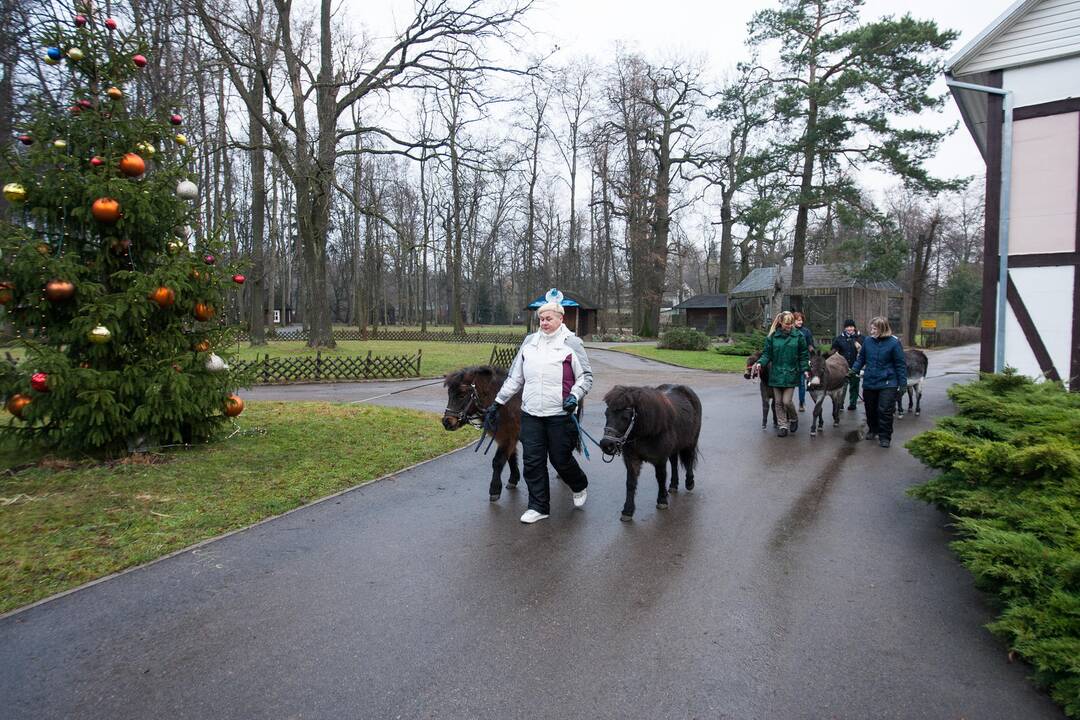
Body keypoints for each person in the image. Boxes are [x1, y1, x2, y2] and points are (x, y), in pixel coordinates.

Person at [486, 289, 593, 524]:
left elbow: (585, 376)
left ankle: (579, 484)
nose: (544, 323)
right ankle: (538, 506)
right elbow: (515, 378)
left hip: (559, 414)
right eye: (541, 319)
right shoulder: (529, 342)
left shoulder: (571, 343)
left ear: (560, 318)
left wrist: (574, 396)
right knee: (532, 461)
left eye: (549, 318)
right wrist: (498, 402)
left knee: (560, 459)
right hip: (531, 413)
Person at [850, 316, 906, 448]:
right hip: (870, 380)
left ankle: (885, 436)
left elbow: (900, 364)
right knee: (870, 408)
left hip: (888, 382)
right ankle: (873, 429)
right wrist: (853, 370)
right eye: (871, 328)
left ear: (882, 329)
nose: (871, 331)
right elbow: (861, 358)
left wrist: (902, 383)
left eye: (874, 329)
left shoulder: (894, 343)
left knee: (885, 409)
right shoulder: (868, 341)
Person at [753, 311, 809, 438]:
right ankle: (782, 425)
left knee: (786, 401)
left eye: (790, 323)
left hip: (790, 373)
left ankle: (794, 418)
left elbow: (803, 355)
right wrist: (760, 363)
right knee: (778, 402)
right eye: (786, 323)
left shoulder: (798, 336)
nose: (789, 326)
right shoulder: (772, 337)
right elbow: (767, 354)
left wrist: (805, 369)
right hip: (776, 373)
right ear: (780, 323)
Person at [831, 319, 863, 411]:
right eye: (847, 327)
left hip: (855, 366)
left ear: (854, 327)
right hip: (842, 368)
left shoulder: (861, 338)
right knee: (842, 386)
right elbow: (833, 351)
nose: (849, 328)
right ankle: (840, 404)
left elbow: (864, 352)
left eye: (851, 326)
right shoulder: (839, 339)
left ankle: (853, 403)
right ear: (844, 328)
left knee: (854, 386)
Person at [793, 312, 815, 412]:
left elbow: (810, 344)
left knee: (802, 383)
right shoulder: (790, 331)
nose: (800, 322)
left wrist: (812, 352)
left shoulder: (806, 331)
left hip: (804, 359)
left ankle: (801, 403)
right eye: (798, 320)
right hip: (792, 360)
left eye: (801, 320)